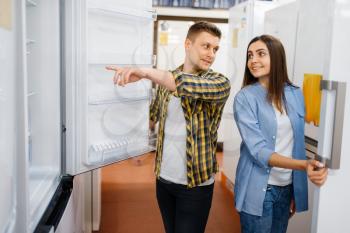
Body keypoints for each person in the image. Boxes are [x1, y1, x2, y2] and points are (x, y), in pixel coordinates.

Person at [106, 21, 231, 233]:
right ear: (188, 44)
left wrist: (144, 72)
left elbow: (184, 83)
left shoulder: (219, 83)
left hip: (195, 184)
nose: (211, 53)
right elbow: (153, 117)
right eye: (205, 46)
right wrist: (131, 142)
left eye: (215, 49)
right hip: (164, 180)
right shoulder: (165, 83)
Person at [232, 35, 328, 233]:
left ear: (276, 58)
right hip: (258, 189)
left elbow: (297, 144)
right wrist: (304, 166)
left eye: (260, 54)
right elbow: (259, 151)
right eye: (250, 55)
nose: (253, 60)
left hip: (286, 188)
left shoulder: (295, 93)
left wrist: (294, 190)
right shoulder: (245, 98)